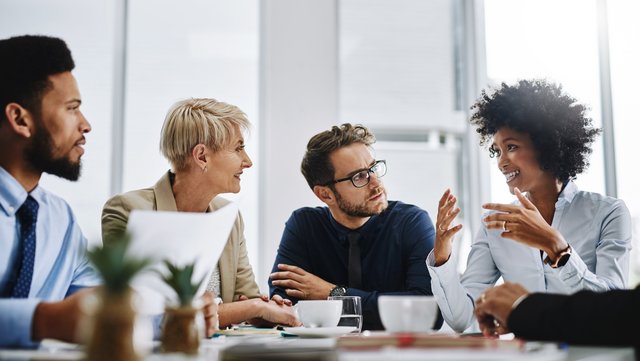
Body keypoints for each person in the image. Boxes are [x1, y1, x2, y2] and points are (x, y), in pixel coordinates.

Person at [428, 79, 631, 332]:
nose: (502, 162)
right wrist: (442, 257)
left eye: (511, 147)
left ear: (547, 145)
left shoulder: (608, 213)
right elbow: (463, 318)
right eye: (497, 151)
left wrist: (557, 248)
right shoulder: (495, 223)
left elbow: (614, 311)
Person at [102, 98, 299, 328]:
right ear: (202, 156)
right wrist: (252, 308)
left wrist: (265, 311)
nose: (248, 161)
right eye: (238, 148)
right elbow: (142, 312)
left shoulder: (229, 216)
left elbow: (246, 297)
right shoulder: (128, 210)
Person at [269, 123, 437, 331]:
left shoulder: (412, 222)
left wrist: (333, 293)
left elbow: (427, 312)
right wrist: (382, 307)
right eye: (359, 176)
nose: (376, 183)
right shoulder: (304, 225)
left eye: (373, 168)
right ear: (325, 194)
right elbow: (283, 306)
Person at [0, 35, 100, 347]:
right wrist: (43, 320)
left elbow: (98, 306)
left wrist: (176, 315)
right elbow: (57, 318)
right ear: (20, 119)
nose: (85, 125)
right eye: (72, 109)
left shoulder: (60, 219)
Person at [474, 282, 640, 349]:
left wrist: (526, 308)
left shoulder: (611, 211)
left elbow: (627, 310)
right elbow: (461, 318)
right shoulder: (490, 226)